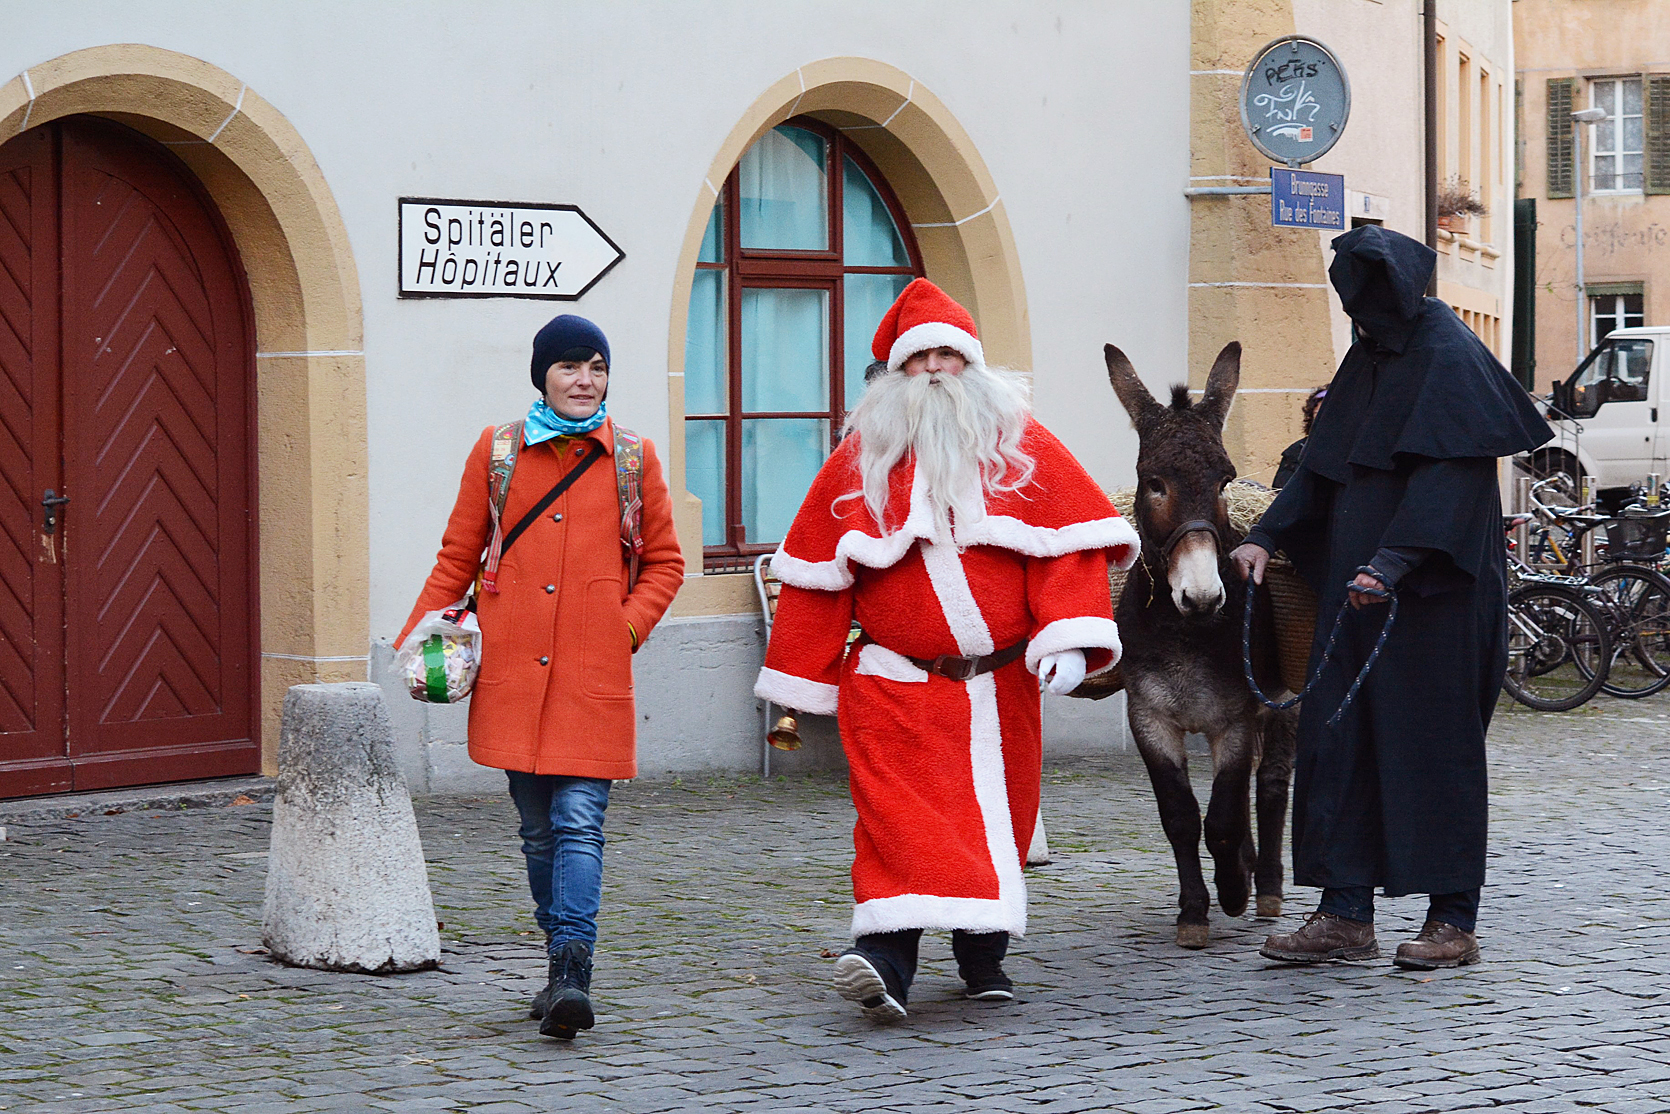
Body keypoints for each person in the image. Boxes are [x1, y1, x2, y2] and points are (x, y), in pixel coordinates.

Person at [755, 279, 1139, 1021]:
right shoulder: (857, 463)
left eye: (948, 355)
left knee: (995, 817)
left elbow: (1068, 549)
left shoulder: (1024, 448)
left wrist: (1068, 634)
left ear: (973, 364)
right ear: (897, 373)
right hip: (893, 684)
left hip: (999, 690)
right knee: (897, 824)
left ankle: (981, 956)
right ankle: (886, 963)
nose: (934, 368)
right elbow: (816, 579)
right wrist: (799, 686)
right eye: (920, 356)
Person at [1230, 226, 1551, 969]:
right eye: (1355, 315)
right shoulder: (1370, 354)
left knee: (1431, 750)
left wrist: (1394, 563)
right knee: (1337, 744)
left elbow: (1450, 477)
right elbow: (1323, 464)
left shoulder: (1447, 356)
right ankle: (1344, 912)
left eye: (1372, 311)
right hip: (1356, 598)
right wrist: (1266, 534)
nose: (1363, 325)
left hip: (1433, 601)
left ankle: (1451, 921)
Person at [398, 314, 684, 1037]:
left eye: (595, 366)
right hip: (514, 678)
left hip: (594, 675)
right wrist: (420, 641)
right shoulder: (497, 453)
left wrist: (624, 629)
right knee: (536, 834)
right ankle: (557, 961)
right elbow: (457, 558)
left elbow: (666, 562)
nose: (584, 379)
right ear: (542, 376)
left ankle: (570, 972)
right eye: (568, 367)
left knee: (579, 823)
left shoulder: (632, 457)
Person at [1272, 386, 1328, 489]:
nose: (1323, 418)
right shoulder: (1297, 450)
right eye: (1318, 414)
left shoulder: (1355, 452)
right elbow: (1281, 491)